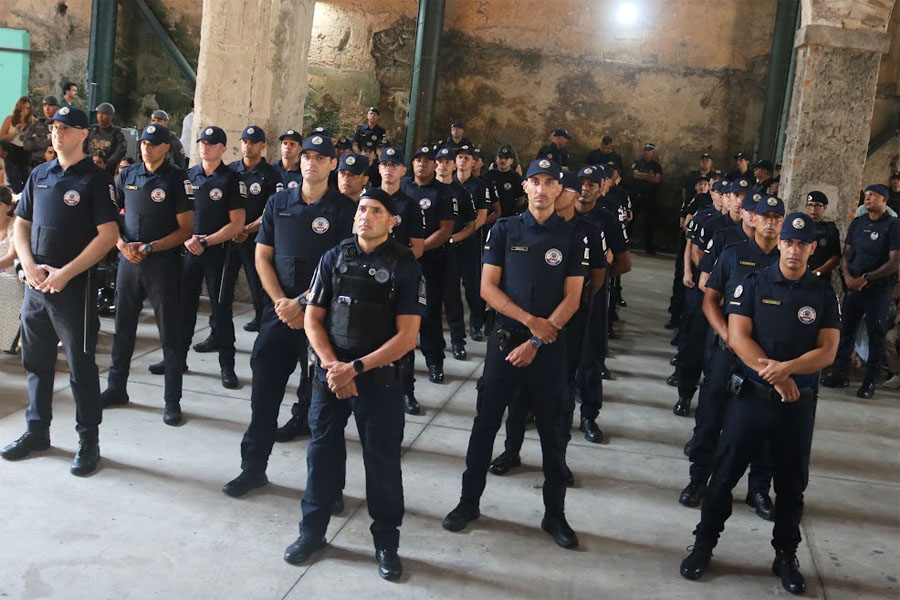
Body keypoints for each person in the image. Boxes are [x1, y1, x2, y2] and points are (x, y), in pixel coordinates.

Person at [680, 212, 840, 596]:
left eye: (803, 244)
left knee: (791, 485)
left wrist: (788, 370)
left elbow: (828, 350)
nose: (795, 250)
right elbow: (738, 338)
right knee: (723, 477)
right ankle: (703, 545)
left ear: (812, 249)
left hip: (796, 405)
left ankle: (785, 556)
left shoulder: (822, 293)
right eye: (789, 242)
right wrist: (778, 377)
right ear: (780, 244)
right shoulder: (753, 283)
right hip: (751, 399)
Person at [442, 159, 587, 549]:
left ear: (559, 190)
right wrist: (529, 322)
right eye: (535, 181)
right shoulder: (505, 229)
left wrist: (538, 339)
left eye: (549, 182)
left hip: (548, 348)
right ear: (525, 187)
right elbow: (487, 288)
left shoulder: (573, 236)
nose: (541, 189)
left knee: (554, 434)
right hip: (506, 344)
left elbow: (573, 297)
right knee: (485, 426)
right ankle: (468, 503)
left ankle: (554, 515)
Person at [282, 188, 424, 579]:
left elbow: (407, 337)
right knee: (321, 456)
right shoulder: (333, 257)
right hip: (330, 376)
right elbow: (312, 319)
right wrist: (334, 368)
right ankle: (312, 533)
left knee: (382, 464)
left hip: (378, 380)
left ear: (392, 221)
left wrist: (355, 369)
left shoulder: (405, 267)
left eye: (376, 211)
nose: (365, 216)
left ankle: (386, 544)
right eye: (362, 209)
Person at [0, 106, 118, 475]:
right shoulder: (41, 173)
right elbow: (21, 225)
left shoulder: (95, 179)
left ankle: (88, 440)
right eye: (54, 126)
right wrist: (29, 265)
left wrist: (66, 273)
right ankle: (37, 431)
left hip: (74, 288)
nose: (57, 132)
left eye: (65, 127)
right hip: (37, 286)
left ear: (83, 134)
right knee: (36, 363)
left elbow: (108, 236)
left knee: (81, 366)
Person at [489, 171, 607, 479]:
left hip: (566, 323)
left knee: (560, 395)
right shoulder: (515, 228)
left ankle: (557, 460)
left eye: (556, 185)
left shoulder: (584, 232)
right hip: (522, 323)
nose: (549, 191)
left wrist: (565, 314)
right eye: (538, 183)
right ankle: (511, 450)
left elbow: (596, 276)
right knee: (518, 393)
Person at [100, 124, 194, 425]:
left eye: (153, 144)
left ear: (166, 147)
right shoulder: (127, 174)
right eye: (143, 143)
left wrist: (151, 247)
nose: (147, 148)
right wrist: (121, 245)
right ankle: (116, 389)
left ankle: (172, 401)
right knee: (123, 329)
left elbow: (186, 229)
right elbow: (109, 216)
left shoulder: (177, 179)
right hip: (128, 263)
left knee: (169, 334)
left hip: (162, 265)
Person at [271, 135, 357, 443]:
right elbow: (262, 256)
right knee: (267, 363)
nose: (311, 162)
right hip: (282, 308)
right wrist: (284, 303)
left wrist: (302, 302)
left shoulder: (346, 210)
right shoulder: (279, 201)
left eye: (320, 158)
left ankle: (305, 419)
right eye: (307, 156)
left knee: (314, 372)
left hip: (323, 307)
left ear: (333, 164)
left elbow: (341, 267)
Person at [154, 125, 245, 389]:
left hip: (218, 253)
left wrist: (206, 240)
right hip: (189, 252)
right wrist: (187, 239)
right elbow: (175, 216)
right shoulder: (187, 176)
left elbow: (237, 223)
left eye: (212, 143)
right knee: (183, 309)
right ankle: (177, 360)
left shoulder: (231, 179)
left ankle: (227, 366)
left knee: (221, 311)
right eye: (202, 142)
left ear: (222, 149)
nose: (205, 146)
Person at [822, 184, 900, 398]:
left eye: (873, 195)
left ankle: (869, 381)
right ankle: (839, 373)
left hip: (877, 289)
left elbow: (894, 262)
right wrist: (848, 276)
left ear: (884, 200)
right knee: (846, 330)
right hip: (854, 286)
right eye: (867, 195)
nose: (868, 198)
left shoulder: (893, 225)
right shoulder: (858, 223)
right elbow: (847, 253)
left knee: (876, 334)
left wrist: (867, 278)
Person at [400, 145, 455, 383]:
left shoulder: (443, 192)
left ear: (434, 165)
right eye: (418, 160)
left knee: (429, 313)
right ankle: (401, 366)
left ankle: (434, 362)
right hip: (401, 262)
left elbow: (445, 230)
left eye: (427, 160)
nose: (421, 164)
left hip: (430, 262)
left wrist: (417, 250)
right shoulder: (403, 187)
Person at [378, 146, 426, 414]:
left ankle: (407, 391)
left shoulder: (410, 205)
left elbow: (417, 248)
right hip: (369, 277)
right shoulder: (367, 201)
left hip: (398, 277)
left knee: (403, 337)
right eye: (385, 164)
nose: (389, 169)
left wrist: (393, 264)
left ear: (403, 170)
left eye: (394, 165)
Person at [224, 125, 283, 333]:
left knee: (259, 285)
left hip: (256, 239)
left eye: (253, 143)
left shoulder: (271, 175)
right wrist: (232, 229)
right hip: (230, 238)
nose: (248, 146)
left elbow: (271, 210)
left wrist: (247, 229)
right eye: (245, 142)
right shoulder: (230, 171)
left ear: (262, 145)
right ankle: (219, 329)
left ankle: (262, 323)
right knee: (223, 287)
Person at [434, 146, 477, 360]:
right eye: (439, 161)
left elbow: (471, 225)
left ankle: (458, 341)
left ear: (453, 165)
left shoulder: (461, 193)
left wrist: (452, 239)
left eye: (447, 161)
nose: (443, 165)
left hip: (450, 251)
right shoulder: (423, 189)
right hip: (425, 252)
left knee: (452, 298)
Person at [454, 144, 495, 342]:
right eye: (460, 157)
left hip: (470, 240)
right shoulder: (448, 183)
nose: (463, 161)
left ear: (473, 162)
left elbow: (481, 216)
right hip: (448, 242)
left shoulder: (480, 186)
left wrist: (464, 233)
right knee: (450, 287)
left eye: (467, 158)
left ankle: (476, 324)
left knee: (472, 285)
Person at [631, 142, 663, 254]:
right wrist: (648, 176)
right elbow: (635, 175)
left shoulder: (656, 166)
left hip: (650, 197)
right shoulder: (638, 163)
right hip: (636, 196)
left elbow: (657, 179)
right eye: (645, 150)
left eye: (649, 150)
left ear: (653, 152)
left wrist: (642, 175)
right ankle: (625, 243)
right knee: (630, 220)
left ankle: (649, 247)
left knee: (649, 223)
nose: (646, 152)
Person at [804, 191, 841, 282]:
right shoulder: (800, 227)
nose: (813, 209)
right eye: (810, 205)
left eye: (817, 205)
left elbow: (835, 257)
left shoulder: (829, 229)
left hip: (820, 277)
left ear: (824, 208)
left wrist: (817, 272)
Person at [483, 145, 525, 217]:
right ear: (496, 160)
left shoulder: (516, 177)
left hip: (508, 216)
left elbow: (521, 197)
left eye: (506, 158)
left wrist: (515, 211)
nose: (503, 160)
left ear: (511, 161)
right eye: (500, 157)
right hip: (489, 216)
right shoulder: (488, 175)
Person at [86, 103, 126, 176]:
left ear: (111, 116)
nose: (100, 116)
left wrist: (106, 163)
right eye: (98, 113)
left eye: (104, 114)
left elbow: (120, 151)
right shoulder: (91, 131)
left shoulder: (117, 134)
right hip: (89, 168)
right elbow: (82, 148)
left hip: (107, 171)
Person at [22, 96, 59, 169]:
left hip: (56, 165)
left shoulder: (62, 125)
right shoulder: (36, 124)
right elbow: (26, 145)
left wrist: (35, 139)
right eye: (45, 106)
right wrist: (47, 141)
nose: (47, 109)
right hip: (37, 165)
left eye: (50, 106)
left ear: (57, 107)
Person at [1, 96, 34, 175]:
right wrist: (15, 132)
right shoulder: (10, 119)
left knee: (25, 175)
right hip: (12, 150)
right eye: (23, 108)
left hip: (26, 152)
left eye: (28, 108)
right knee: (11, 175)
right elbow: (1, 137)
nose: (25, 111)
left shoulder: (32, 120)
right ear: (18, 107)